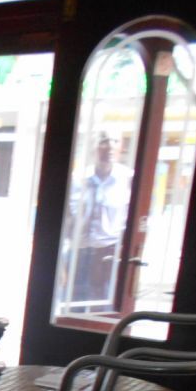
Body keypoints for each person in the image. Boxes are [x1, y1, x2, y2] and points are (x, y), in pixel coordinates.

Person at [68, 131, 134, 311]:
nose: (110, 146)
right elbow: (68, 217)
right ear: (94, 147)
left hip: (108, 253)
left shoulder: (127, 179)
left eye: (115, 141)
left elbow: (134, 220)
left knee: (104, 308)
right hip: (79, 251)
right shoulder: (78, 178)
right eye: (104, 141)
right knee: (74, 304)